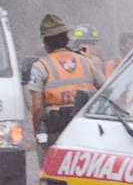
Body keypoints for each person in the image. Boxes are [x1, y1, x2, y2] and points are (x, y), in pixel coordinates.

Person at [24, 13, 102, 144]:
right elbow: (105, 90)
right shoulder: (86, 62)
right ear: (66, 39)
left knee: (51, 162)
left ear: (45, 43)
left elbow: (37, 107)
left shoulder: (40, 66)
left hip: (56, 130)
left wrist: (36, 132)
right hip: (83, 126)